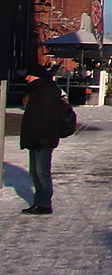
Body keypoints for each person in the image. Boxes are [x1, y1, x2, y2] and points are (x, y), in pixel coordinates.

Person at [20, 65, 67, 215]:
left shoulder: (45, 91)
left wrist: (39, 137)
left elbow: (46, 118)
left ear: (37, 77)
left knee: (41, 172)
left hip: (43, 139)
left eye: (30, 75)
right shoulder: (38, 90)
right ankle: (39, 202)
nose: (26, 78)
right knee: (35, 171)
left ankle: (44, 204)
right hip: (36, 138)